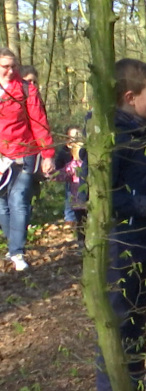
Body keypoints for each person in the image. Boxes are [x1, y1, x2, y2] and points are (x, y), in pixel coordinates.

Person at [93, 58, 146, 391]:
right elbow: (101, 196)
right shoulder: (112, 138)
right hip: (117, 244)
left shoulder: (137, 130)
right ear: (129, 96)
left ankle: (136, 375)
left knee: (139, 308)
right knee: (119, 314)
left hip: (139, 240)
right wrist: (144, 205)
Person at [0, 48, 55, 272]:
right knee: (2, 204)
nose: (11, 70)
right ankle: (13, 242)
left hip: (24, 151)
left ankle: (17, 251)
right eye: (6, 66)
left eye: (14, 66)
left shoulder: (26, 90)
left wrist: (48, 155)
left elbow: (39, 123)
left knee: (19, 199)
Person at [54, 125, 88, 245]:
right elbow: (62, 175)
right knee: (81, 222)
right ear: (69, 146)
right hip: (78, 200)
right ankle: (82, 244)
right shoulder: (72, 165)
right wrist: (52, 174)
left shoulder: (90, 162)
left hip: (91, 199)